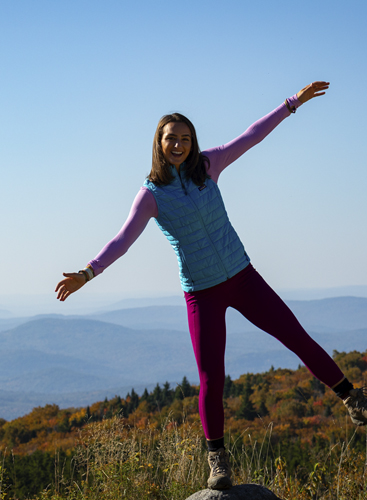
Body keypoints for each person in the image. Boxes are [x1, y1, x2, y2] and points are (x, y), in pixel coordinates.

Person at [55, 81, 367, 490]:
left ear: (193, 141)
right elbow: (122, 240)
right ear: (160, 143)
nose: (179, 145)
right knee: (211, 376)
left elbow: (251, 136)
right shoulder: (151, 195)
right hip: (202, 291)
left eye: (185, 138)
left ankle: (351, 397)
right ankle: (217, 459)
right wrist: (88, 272)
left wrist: (292, 104)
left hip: (243, 277)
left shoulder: (209, 165)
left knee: (295, 335)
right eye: (172, 139)